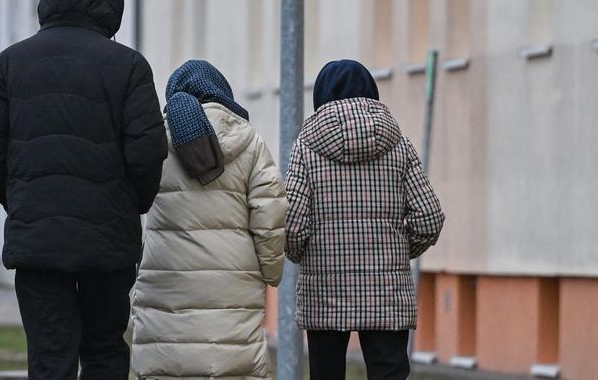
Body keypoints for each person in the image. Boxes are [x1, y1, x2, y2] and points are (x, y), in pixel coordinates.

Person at [0, 0, 167, 380]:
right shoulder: (129, 67)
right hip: (108, 239)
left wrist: (18, 197)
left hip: (37, 238)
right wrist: (129, 202)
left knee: (49, 356)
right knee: (104, 351)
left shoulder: (10, 63)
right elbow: (148, 149)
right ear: (109, 3)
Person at [285, 59, 446, 380]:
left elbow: (291, 224)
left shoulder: (305, 146)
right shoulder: (397, 143)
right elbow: (429, 217)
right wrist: (398, 250)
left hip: (325, 289)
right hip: (387, 292)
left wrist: (303, 254)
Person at [131, 60, 287, 379]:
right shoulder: (250, 142)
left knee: (167, 366)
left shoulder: (156, 139)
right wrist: (272, 271)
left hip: (166, 278)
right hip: (234, 283)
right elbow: (269, 213)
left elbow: (128, 201)